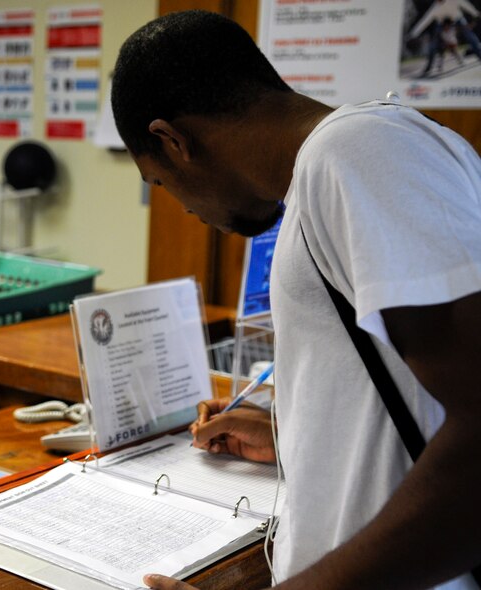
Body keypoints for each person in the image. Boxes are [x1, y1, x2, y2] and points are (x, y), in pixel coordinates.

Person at [112, 10, 481, 590]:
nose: (182, 208)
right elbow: (424, 390)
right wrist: (293, 431)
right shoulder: (332, 170)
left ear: (172, 140)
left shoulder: (359, 152)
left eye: (161, 183)